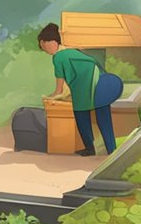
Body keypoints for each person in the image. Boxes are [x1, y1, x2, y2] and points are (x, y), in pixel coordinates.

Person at [38, 22, 121, 156]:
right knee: (103, 116)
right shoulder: (71, 51)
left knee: (81, 114)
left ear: (47, 42)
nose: (46, 49)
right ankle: (112, 150)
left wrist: (50, 97)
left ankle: (91, 148)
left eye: (44, 45)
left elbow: (59, 88)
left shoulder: (58, 57)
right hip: (101, 79)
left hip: (87, 83)